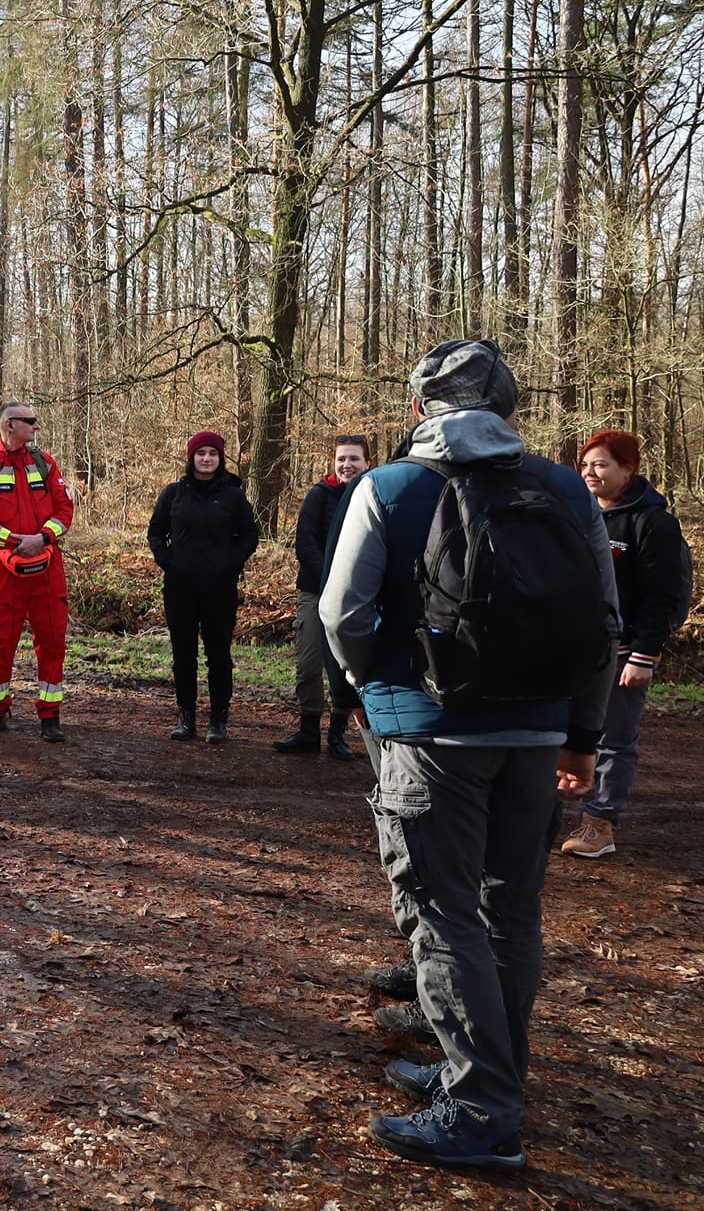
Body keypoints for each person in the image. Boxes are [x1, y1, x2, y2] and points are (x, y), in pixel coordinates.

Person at [322, 338, 617, 1171]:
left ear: (420, 410)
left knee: (446, 914)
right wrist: (582, 734)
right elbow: (604, 620)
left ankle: (484, 1109)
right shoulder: (564, 487)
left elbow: (344, 613)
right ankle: (482, 1074)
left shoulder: (388, 486)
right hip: (535, 735)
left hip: (428, 733)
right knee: (510, 910)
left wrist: (377, 690)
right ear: (510, 410)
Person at [564, 429, 693, 860]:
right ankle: (548, 813)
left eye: (600, 465)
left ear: (628, 468)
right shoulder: (581, 514)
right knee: (562, 729)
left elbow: (664, 596)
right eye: (585, 465)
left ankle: (600, 823)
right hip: (577, 649)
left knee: (615, 741)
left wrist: (644, 655)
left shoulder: (652, 522)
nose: (589, 473)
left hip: (624, 654)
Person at [0, 400, 76, 739]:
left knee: (52, 639)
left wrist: (41, 538)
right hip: (1, 569)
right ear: (10, 425)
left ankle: (50, 715)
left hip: (47, 566)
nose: (36, 426)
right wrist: (15, 542)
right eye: (30, 421)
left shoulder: (45, 462)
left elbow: (65, 509)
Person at [147, 431, 259, 743]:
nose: (206, 458)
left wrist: (230, 564)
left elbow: (250, 536)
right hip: (180, 588)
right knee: (183, 655)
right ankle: (186, 718)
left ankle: (218, 721)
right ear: (191, 458)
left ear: (220, 458)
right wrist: (168, 561)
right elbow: (156, 532)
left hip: (220, 589)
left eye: (212, 453)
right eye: (201, 453)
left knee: (219, 656)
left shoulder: (233, 496)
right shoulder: (173, 494)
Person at [274, 434, 371, 758]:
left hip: (359, 598)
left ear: (367, 462)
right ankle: (308, 731)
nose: (347, 465)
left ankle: (338, 736)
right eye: (342, 459)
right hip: (316, 592)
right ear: (334, 462)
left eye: (354, 458)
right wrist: (333, 581)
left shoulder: (373, 494)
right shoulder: (319, 495)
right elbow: (306, 544)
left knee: (348, 665)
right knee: (309, 663)